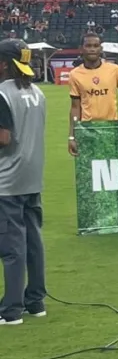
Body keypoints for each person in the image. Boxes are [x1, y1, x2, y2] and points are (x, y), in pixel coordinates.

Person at [0, 40, 47, 326]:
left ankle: (11, 310)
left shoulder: (2, 94)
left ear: (4, 64)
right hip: (32, 176)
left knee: (11, 246)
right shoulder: (37, 91)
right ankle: (35, 301)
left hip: (7, 179)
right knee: (33, 241)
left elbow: (4, 138)